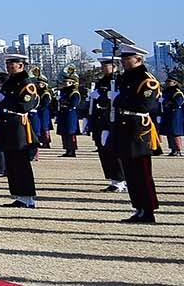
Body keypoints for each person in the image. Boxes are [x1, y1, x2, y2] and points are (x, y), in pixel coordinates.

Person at [111, 44, 161, 223]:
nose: (124, 62)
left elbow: (145, 105)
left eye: (127, 59)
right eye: (123, 59)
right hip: (125, 125)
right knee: (130, 171)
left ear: (138, 59)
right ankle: (138, 207)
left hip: (139, 127)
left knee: (142, 171)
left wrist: (119, 100)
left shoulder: (147, 80)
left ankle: (148, 210)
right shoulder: (126, 79)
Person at [0, 53, 41, 208]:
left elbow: (25, 106)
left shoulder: (26, 84)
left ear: (21, 65)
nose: (9, 67)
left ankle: (28, 197)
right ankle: (19, 196)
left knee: (21, 163)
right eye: (7, 64)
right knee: (11, 164)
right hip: (7, 125)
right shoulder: (9, 83)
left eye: (12, 64)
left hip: (19, 125)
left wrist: (4, 100)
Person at [91, 56, 126, 192]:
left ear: (115, 67)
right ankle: (114, 179)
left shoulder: (119, 81)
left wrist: (102, 97)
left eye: (107, 65)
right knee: (104, 152)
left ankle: (120, 180)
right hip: (101, 120)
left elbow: (118, 99)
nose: (104, 68)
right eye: (103, 65)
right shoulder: (101, 82)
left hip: (114, 120)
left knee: (114, 151)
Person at [57, 74, 83, 157]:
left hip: (70, 114)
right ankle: (67, 149)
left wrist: (64, 102)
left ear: (72, 83)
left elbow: (74, 104)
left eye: (67, 82)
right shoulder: (64, 91)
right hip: (63, 114)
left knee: (71, 133)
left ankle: (72, 150)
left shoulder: (74, 93)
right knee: (64, 133)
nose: (65, 83)